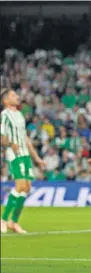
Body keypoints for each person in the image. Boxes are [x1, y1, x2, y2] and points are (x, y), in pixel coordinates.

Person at [0, 88, 46, 234]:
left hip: (25, 154)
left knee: (26, 187)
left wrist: (37, 158)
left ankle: (13, 222)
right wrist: (10, 144)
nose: (17, 97)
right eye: (13, 95)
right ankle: (3, 219)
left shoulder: (19, 115)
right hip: (14, 154)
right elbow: (2, 138)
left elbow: (25, 138)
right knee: (20, 186)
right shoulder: (4, 115)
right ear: (6, 100)